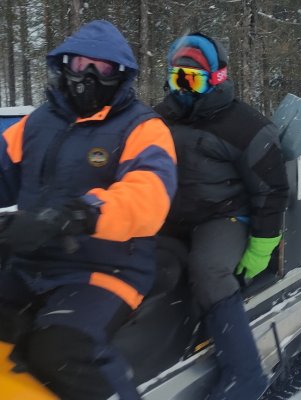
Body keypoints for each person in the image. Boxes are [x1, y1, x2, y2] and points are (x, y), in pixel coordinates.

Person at [0, 20, 177, 400]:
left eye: (104, 68)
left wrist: (75, 215)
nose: (91, 77)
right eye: (82, 65)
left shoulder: (143, 128)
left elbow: (149, 196)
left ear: (122, 75)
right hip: (30, 262)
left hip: (106, 268)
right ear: (64, 65)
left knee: (60, 350)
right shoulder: (37, 123)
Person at [155, 32, 289, 400]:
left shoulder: (245, 125)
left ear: (215, 78)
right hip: (170, 215)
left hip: (225, 216)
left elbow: (272, 190)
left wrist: (262, 247)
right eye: (176, 77)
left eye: (192, 79)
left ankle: (245, 376)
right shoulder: (158, 119)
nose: (182, 88)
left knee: (208, 269)